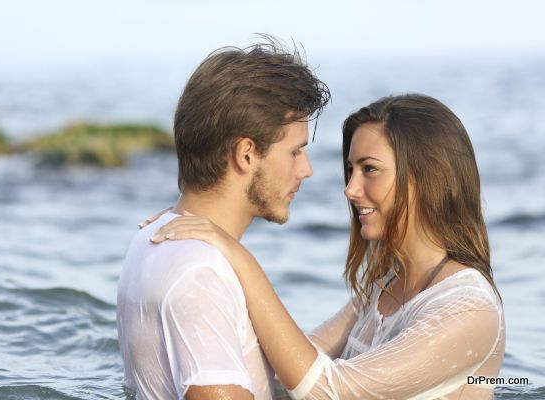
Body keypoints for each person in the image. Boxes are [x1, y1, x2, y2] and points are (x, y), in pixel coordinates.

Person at [148, 94, 506, 399]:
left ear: (427, 178)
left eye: (370, 169)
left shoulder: (470, 308)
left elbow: (329, 390)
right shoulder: (383, 286)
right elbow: (281, 374)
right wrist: (193, 215)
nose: (350, 189)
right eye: (351, 170)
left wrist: (237, 256)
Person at [116, 37, 330, 400]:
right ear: (246, 154)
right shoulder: (201, 272)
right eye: (295, 152)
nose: (305, 170)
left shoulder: (150, 237)